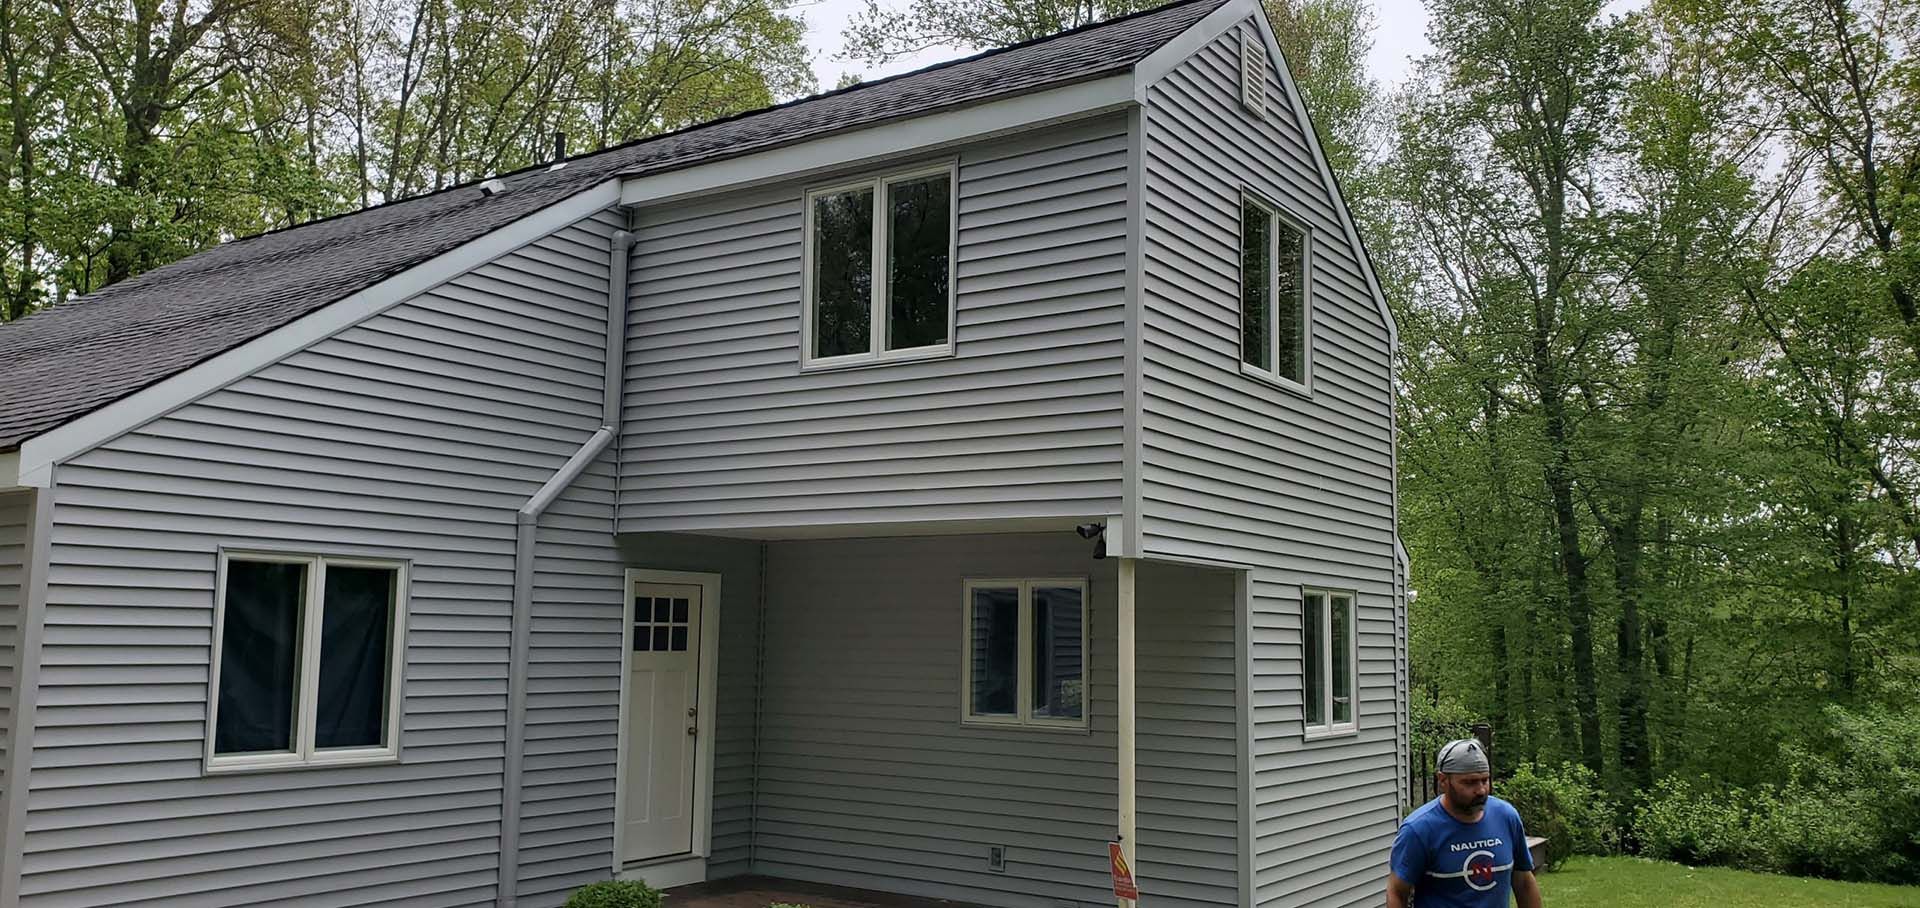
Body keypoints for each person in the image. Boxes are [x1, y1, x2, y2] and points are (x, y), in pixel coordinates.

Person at [1386, 739, 1543, 908]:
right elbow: (1397, 892)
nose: (1481, 790)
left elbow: (1524, 883)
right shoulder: (1419, 829)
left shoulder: (1506, 817)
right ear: (1443, 780)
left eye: (1485, 780)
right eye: (1470, 782)